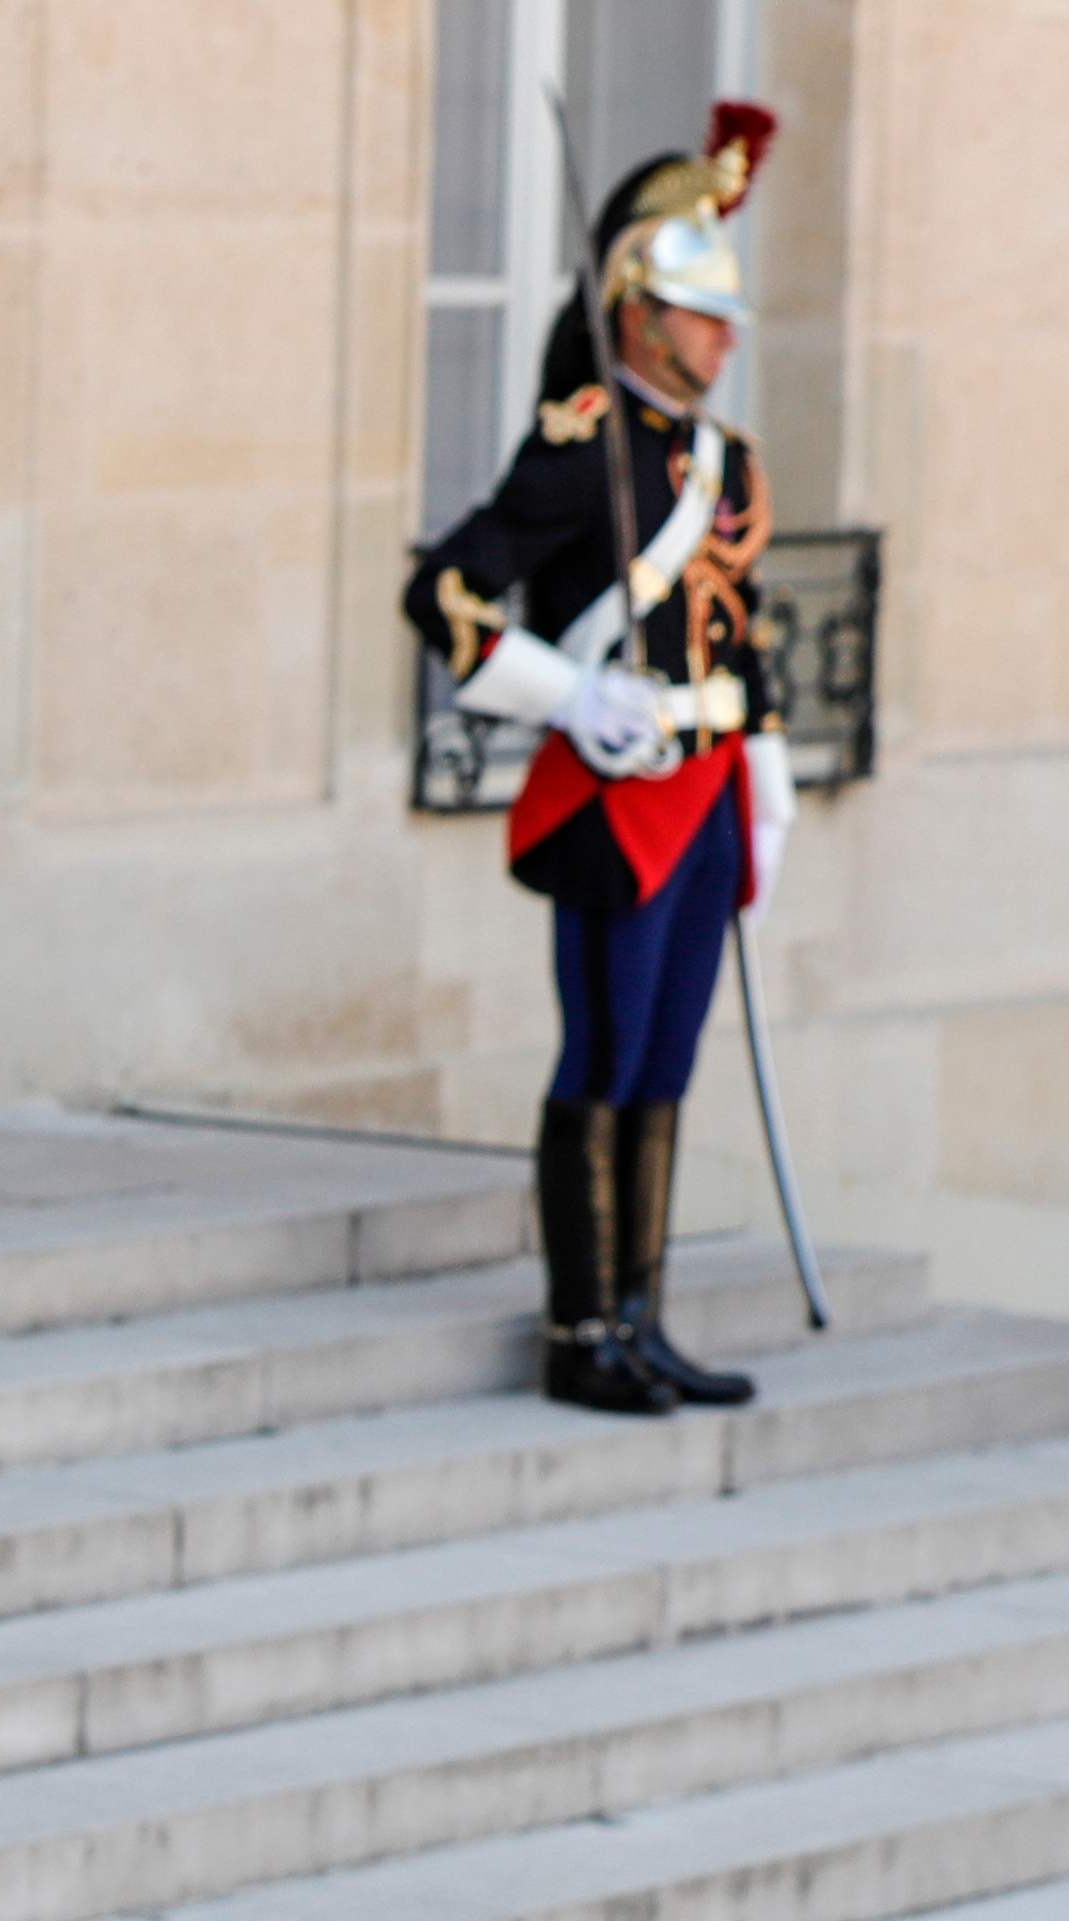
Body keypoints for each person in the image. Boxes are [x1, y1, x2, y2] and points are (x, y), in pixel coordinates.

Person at [404, 105, 786, 1418]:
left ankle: (642, 1312)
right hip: (615, 800)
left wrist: (770, 780)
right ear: (636, 317)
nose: (722, 337)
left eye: (724, 316)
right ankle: (579, 1329)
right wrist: (569, 697)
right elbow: (445, 594)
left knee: (670, 1059)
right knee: (606, 1057)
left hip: (709, 793)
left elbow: (748, 630)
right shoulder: (582, 450)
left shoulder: (727, 465)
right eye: (697, 314)